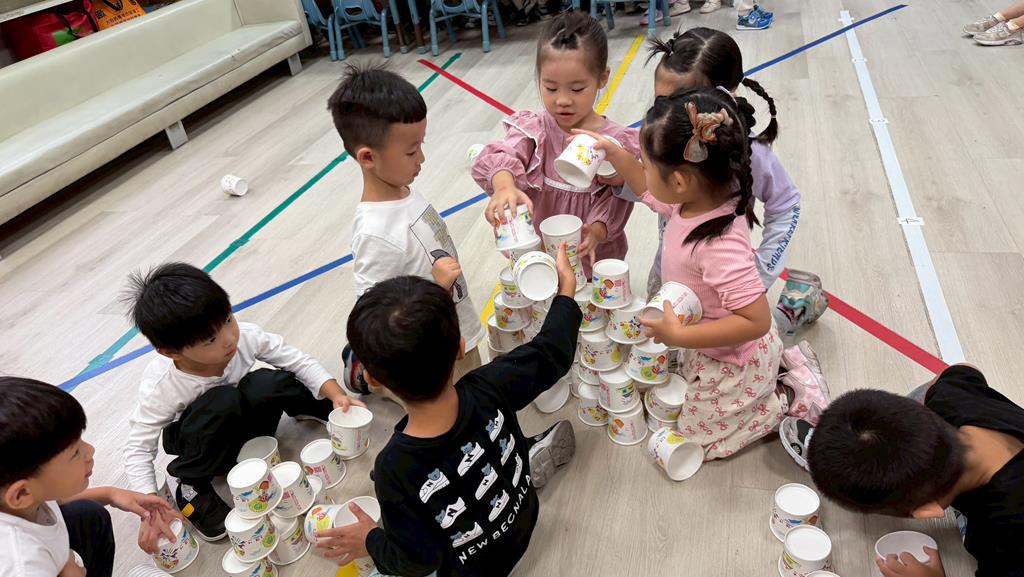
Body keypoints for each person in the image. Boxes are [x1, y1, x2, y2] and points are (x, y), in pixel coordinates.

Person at [314, 245, 580, 577]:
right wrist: (566, 289)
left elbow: (417, 561)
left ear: (372, 380)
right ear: (460, 348)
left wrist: (370, 539)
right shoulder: (491, 384)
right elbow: (552, 349)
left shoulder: (394, 469)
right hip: (522, 524)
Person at [596, 88, 828, 459]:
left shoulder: (718, 245)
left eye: (647, 165)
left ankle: (783, 397)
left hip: (733, 359)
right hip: (705, 340)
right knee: (673, 396)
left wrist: (680, 336)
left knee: (696, 442)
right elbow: (648, 192)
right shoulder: (695, 200)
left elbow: (755, 321)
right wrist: (616, 154)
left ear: (679, 182)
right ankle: (775, 372)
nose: (643, 171)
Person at [122, 263, 361, 541]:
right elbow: (137, 448)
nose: (229, 339)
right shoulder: (162, 385)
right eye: (211, 339)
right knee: (222, 399)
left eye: (228, 319)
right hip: (209, 442)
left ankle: (317, 407)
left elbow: (297, 360)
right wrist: (149, 503)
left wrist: (336, 395)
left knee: (265, 383)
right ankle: (191, 485)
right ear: (171, 352)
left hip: (246, 424)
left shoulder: (244, 337)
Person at [622, 28, 828, 339]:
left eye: (682, 103)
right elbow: (654, 190)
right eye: (660, 102)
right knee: (664, 346)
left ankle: (793, 310)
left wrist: (761, 271)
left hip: (721, 280)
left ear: (721, 96)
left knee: (750, 342)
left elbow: (786, 205)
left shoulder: (750, 154)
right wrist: (618, 169)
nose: (666, 114)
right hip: (675, 269)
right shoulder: (666, 138)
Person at [327, 63, 485, 403]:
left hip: (452, 324)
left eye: (420, 145)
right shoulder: (375, 233)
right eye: (411, 151)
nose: (422, 158)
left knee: (475, 393)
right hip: (428, 351)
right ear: (368, 157)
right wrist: (438, 289)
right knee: (452, 411)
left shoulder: (403, 191)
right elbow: (377, 317)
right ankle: (364, 369)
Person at [807, 364, 1024, 577]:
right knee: (928, 394)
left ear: (928, 511)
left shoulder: (1006, 537)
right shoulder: (949, 396)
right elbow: (963, 368)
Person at [472, 11, 639, 276]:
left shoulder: (613, 143)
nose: (562, 100)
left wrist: (597, 231)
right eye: (551, 88)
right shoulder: (535, 130)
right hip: (541, 252)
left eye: (577, 89)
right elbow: (505, 154)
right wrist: (504, 187)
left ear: (602, 77)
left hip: (591, 253)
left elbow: (618, 198)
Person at [1, 377, 178, 577]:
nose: (90, 450)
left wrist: (110, 494)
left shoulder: (21, 497)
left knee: (88, 514)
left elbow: (54, 501)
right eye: (75, 452)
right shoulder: (21, 565)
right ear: (22, 493)